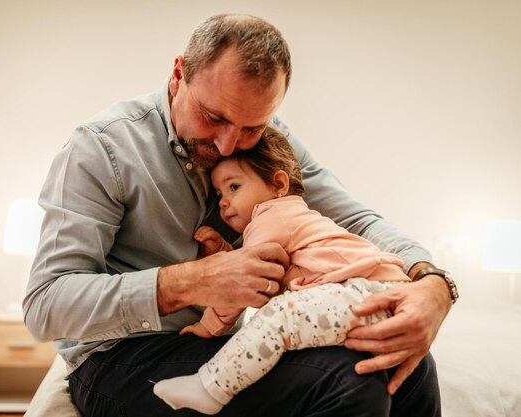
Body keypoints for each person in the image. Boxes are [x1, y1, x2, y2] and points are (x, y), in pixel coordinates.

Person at [23, 13, 456, 417]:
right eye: (214, 117)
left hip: (222, 345)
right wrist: (194, 280)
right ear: (178, 75)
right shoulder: (102, 149)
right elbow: (45, 306)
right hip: (119, 357)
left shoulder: (270, 141)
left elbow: (357, 220)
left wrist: (432, 283)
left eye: (251, 127)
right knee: (349, 380)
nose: (230, 145)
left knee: (409, 366)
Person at [153, 127, 412, 414]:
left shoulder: (271, 214)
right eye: (219, 193)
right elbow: (252, 266)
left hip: (366, 295)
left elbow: (242, 284)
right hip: (380, 296)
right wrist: (226, 254)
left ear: (278, 185)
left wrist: (209, 326)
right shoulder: (290, 216)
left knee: (280, 315)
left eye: (234, 187)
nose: (224, 202)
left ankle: (210, 387)